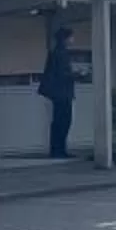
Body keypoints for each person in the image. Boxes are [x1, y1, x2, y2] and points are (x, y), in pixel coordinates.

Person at [38, 25, 80, 159]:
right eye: (71, 37)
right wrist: (77, 75)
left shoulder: (56, 52)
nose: (73, 39)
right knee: (63, 121)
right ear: (66, 38)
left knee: (59, 121)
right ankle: (59, 150)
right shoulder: (61, 53)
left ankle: (58, 149)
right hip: (62, 93)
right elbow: (62, 74)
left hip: (58, 93)